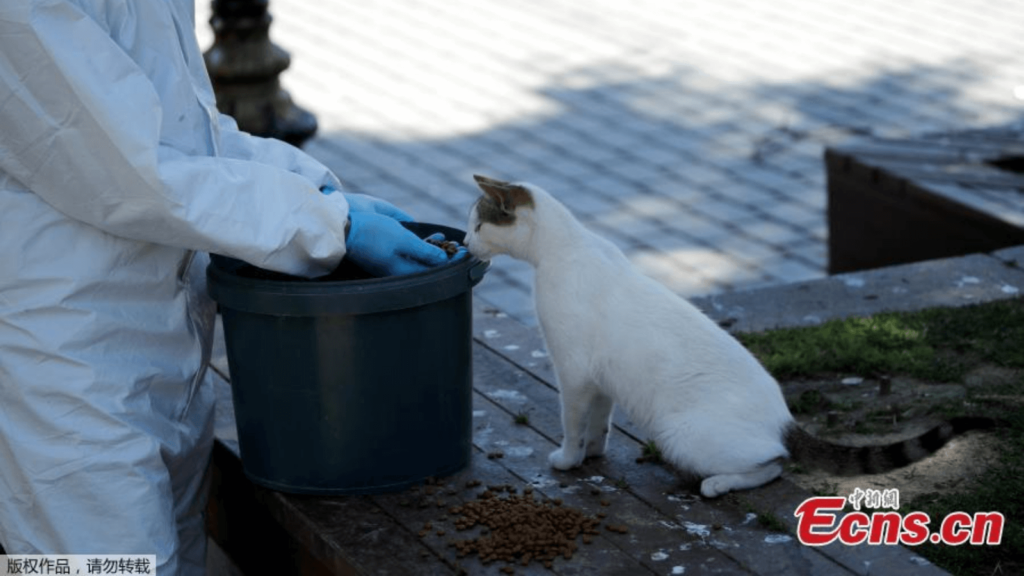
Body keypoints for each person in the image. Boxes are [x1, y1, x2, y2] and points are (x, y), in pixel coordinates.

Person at [0, 1, 453, 573]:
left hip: (164, 355)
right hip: (64, 379)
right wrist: (325, 224)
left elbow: (186, 137)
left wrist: (317, 189)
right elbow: (132, 174)